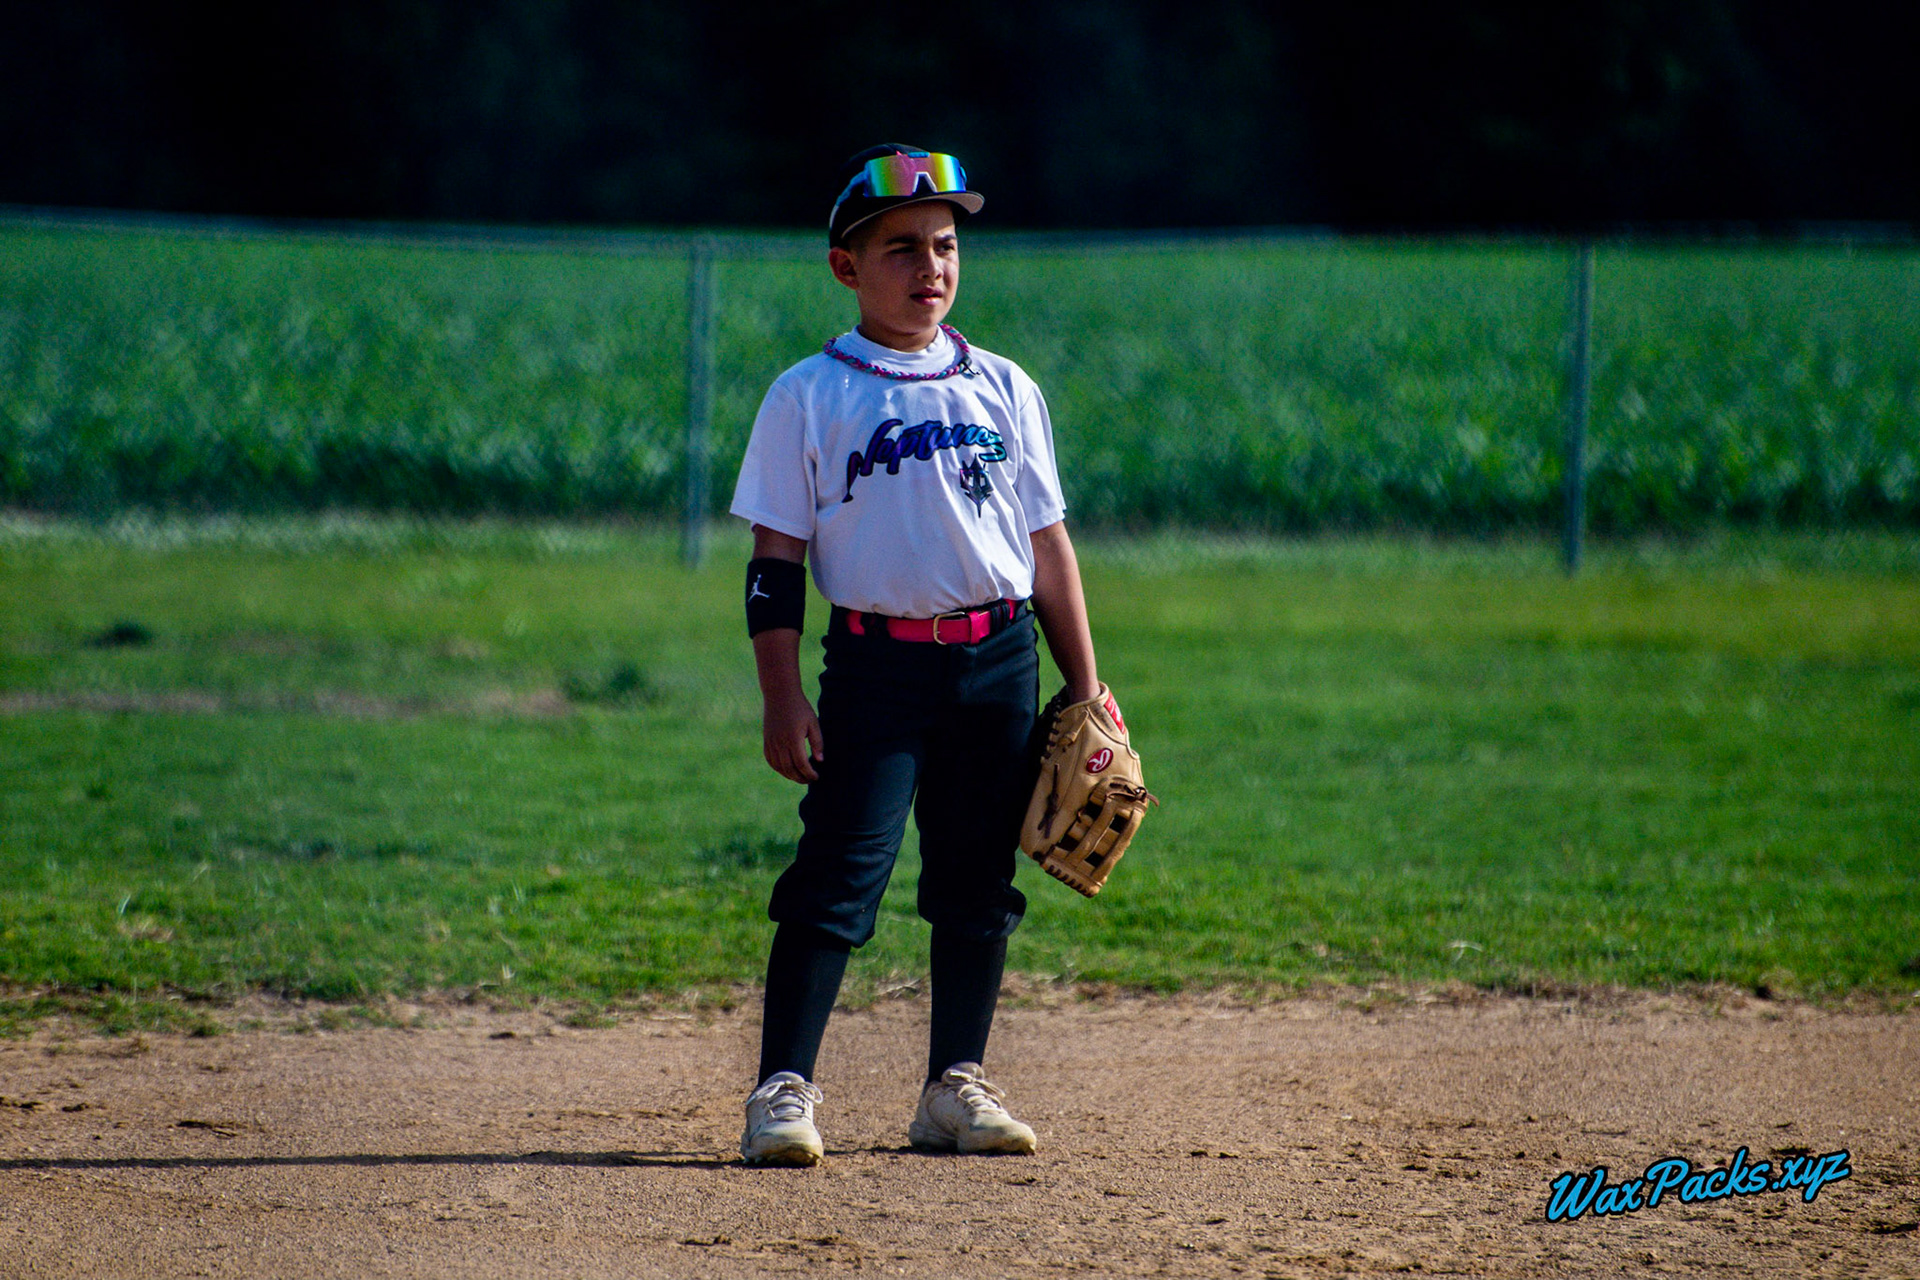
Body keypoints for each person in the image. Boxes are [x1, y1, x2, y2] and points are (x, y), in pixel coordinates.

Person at [728, 145, 1102, 1166]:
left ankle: (953, 1086)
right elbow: (775, 563)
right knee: (839, 871)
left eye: (944, 245)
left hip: (999, 660)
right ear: (846, 267)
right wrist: (780, 696)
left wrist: (1087, 685)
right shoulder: (810, 394)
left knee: (978, 877)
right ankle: (781, 1091)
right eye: (901, 248)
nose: (930, 266)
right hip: (875, 668)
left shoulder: (1003, 387)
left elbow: (1047, 547)